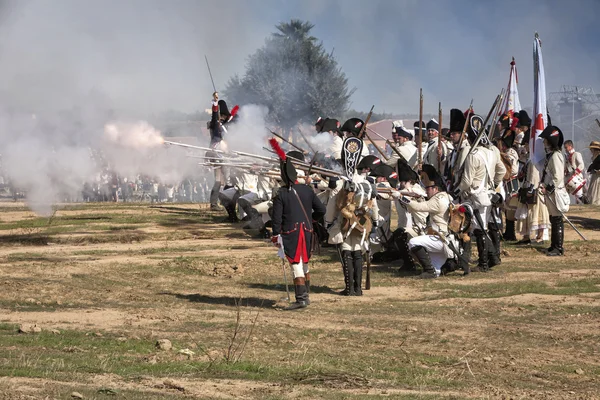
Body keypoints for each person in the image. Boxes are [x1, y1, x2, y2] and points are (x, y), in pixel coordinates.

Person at [270, 139, 326, 310]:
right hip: (307, 230)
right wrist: (313, 220)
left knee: (296, 264)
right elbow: (321, 210)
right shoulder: (307, 190)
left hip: (291, 232)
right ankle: (305, 296)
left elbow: (277, 218)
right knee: (305, 263)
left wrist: (275, 234)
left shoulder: (281, 193)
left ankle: (301, 299)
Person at [406, 165, 454, 278]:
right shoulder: (446, 197)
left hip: (441, 238)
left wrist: (401, 198)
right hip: (444, 238)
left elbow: (418, 207)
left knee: (413, 242)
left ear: (435, 189)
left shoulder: (437, 201)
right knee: (436, 270)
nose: (426, 191)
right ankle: (432, 271)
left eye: (428, 189)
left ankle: (428, 270)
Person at [539, 126, 569, 256]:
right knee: (553, 219)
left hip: (555, 192)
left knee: (557, 220)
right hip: (551, 192)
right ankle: (553, 246)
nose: (544, 142)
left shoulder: (556, 156)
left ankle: (558, 247)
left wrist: (548, 188)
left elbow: (558, 177)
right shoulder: (551, 155)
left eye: (545, 140)